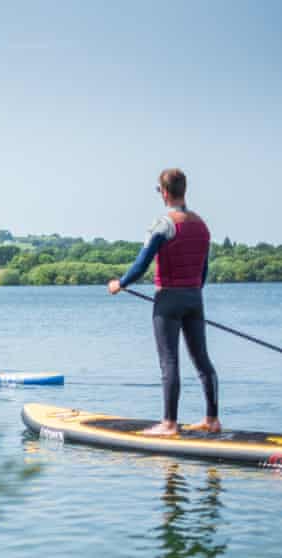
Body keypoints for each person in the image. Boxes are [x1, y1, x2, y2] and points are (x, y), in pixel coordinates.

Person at [108, 168, 220, 436]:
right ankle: (212, 420)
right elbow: (203, 270)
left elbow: (141, 265)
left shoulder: (163, 225)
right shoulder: (202, 225)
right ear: (184, 190)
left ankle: (169, 424)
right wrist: (192, 292)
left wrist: (119, 284)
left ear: (165, 192)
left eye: (160, 190)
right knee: (202, 360)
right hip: (195, 297)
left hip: (168, 300)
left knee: (169, 361)